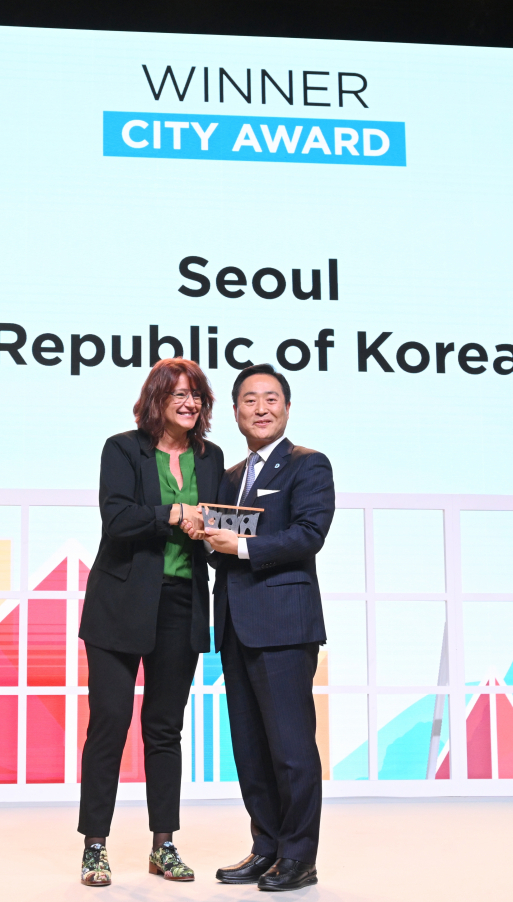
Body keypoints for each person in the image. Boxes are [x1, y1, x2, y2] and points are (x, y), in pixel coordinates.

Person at [77, 358, 225, 887]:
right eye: (179, 394)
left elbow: (215, 524)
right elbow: (116, 519)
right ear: (156, 399)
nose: (190, 403)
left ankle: (164, 844)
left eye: (198, 396)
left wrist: (226, 532)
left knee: (165, 730)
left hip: (182, 606)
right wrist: (170, 514)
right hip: (119, 606)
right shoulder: (122, 449)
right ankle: (95, 845)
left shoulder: (211, 457)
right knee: (110, 725)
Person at [194, 363, 335, 892]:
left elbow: (308, 535)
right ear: (234, 412)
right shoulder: (229, 478)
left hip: (284, 625)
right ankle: (266, 847)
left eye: (270, 398)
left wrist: (243, 547)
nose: (261, 408)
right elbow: (222, 553)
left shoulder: (308, 465)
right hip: (235, 624)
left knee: (292, 749)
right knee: (250, 749)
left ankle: (300, 857)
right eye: (249, 400)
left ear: (287, 407)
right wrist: (204, 537)